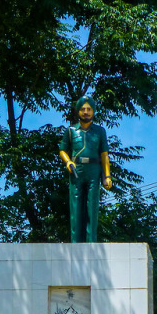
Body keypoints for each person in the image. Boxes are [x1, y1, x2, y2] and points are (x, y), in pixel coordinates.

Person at [59, 96, 112, 243]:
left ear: (93, 111)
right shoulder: (71, 131)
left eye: (89, 109)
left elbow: (104, 154)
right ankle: (75, 242)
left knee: (92, 206)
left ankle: (91, 241)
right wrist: (68, 161)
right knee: (75, 206)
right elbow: (63, 150)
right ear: (78, 111)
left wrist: (107, 176)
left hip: (94, 170)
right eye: (83, 109)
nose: (86, 112)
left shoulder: (100, 132)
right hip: (77, 171)